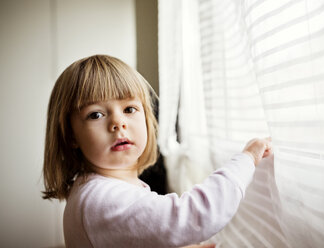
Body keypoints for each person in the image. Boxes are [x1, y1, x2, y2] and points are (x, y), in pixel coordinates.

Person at [42, 55, 272, 248]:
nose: (118, 123)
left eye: (129, 109)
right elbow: (191, 216)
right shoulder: (101, 199)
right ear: (70, 135)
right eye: (96, 114)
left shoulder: (96, 189)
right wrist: (247, 159)